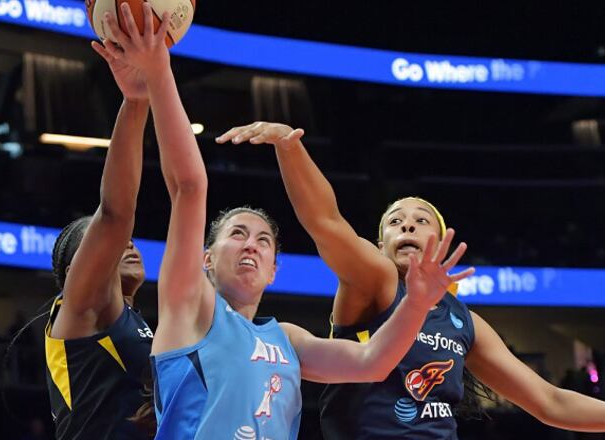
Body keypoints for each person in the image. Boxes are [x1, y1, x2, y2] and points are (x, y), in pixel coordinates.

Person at [100, 5, 474, 439]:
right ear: (205, 259)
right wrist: (156, 76)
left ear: (274, 270)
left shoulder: (288, 340)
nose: (251, 245)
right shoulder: (190, 306)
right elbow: (188, 186)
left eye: (264, 241)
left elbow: (375, 363)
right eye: (237, 234)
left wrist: (416, 303)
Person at [217, 121, 605, 439]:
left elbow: (551, 402)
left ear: (439, 237)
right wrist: (291, 148)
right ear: (381, 245)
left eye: (420, 221)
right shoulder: (377, 279)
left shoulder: (463, 320)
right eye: (395, 223)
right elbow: (326, 222)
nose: (408, 227)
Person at [43, 23, 155, 439]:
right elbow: (114, 214)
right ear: (79, 267)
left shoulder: (133, 322)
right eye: (102, 244)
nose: (126, 242)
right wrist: (136, 102)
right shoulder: (79, 308)